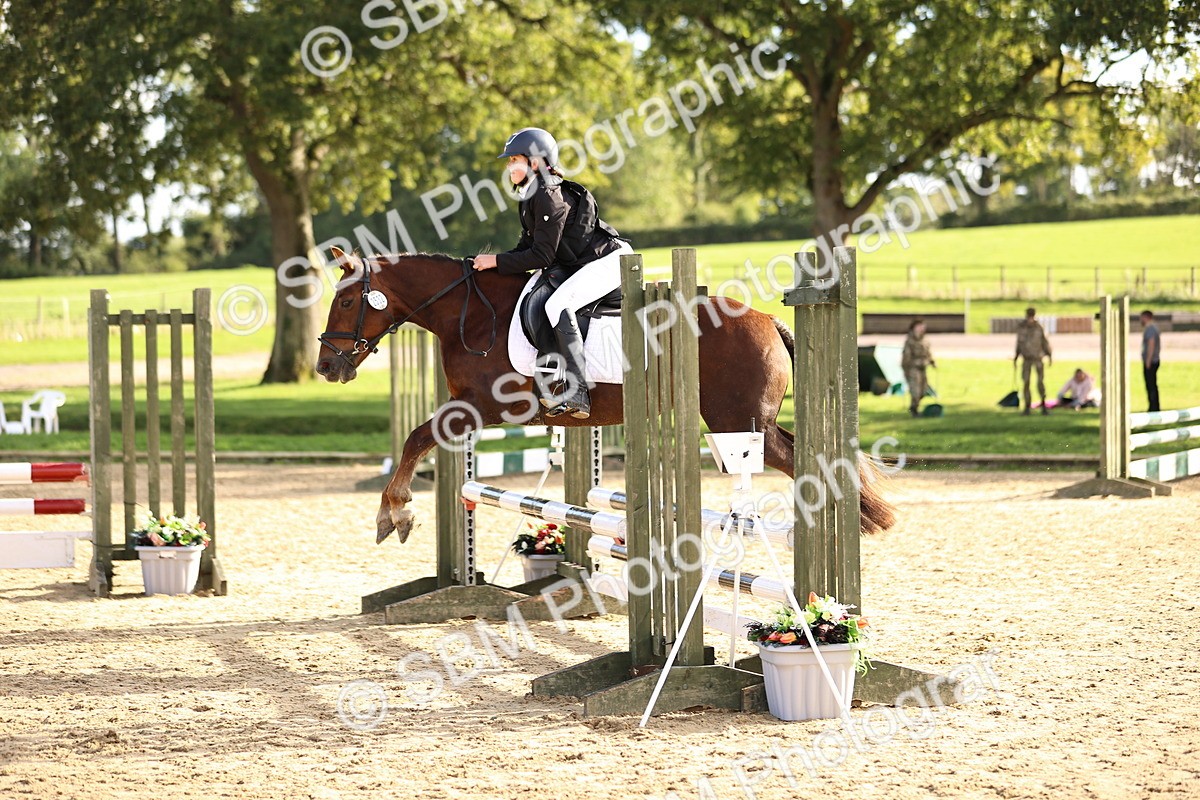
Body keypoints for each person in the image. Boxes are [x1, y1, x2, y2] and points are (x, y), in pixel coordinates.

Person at [472, 127, 631, 419]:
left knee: (558, 304)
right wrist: (491, 264)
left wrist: (496, 261)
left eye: (514, 160)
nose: (509, 167)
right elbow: (526, 248)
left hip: (609, 262)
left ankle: (577, 392)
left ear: (534, 162)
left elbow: (541, 256)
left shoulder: (548, 194)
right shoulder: (531, 195)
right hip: (580, 263)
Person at [1014, 307, 1052, 416]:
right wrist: (1016, 356)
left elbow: (1045, 342)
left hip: (1037, 358)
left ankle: (1043, 405)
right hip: (1026, 359)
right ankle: (1027, 406)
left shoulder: (1039, 327)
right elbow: (1019, 343)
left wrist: (1049, 355)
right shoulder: (1021, 327)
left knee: (1040, 382)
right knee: (1026, 382)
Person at [901, 318, 934, 417]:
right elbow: (906, 358)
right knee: (915, 391)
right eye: (919, 326)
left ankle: (915, 407)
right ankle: (914, 410)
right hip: (913, 369)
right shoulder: (910, 341)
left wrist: (932, 362)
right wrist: (906, 370)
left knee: (923, 390)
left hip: (923, 368)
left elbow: (928, 353)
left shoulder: (925, 340)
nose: (922, 328)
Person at [1141, 309, 1161, 412]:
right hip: (1153, 361)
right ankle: (1153, 406)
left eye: (1142, 317)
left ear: (1146, 317)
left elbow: (1151, 344)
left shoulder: (1150, 329)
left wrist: (1148, 361)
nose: (1141, 320)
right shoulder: (1152, 328)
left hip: (1151, 362)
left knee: (1151, 385)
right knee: (1152, 384)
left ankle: (1153, 407)